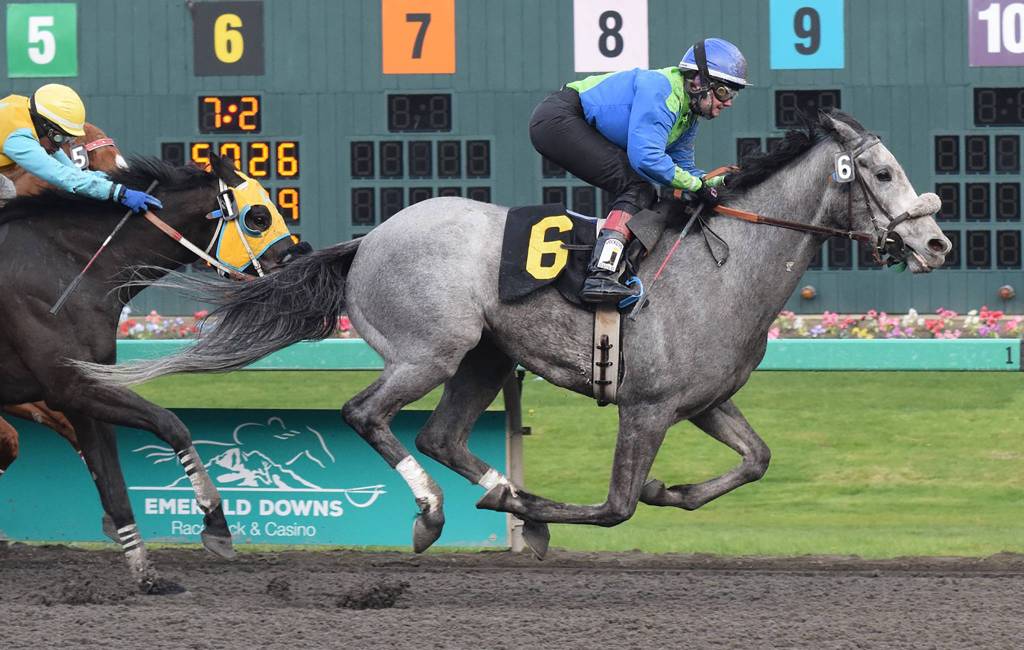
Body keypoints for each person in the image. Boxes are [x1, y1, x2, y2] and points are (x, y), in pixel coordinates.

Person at [529, 38, 748, 305]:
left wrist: (722, 182)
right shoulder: (661, 90)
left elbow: (684, 171)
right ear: (697, 82)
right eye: (724, 92)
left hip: (571, 120)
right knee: (638, 186)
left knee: (652, 191)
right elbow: (647, 159)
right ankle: (601, 273)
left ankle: (620, 268)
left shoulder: (688, 117)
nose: (729, 102)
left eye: (734, 95)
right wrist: (697, 185)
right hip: (558, 119)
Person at [0, 84, 160, 211]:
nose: (59, 146)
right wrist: (118, 193)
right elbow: (61, 176)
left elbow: (72, 171)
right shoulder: (17, 137)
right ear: (44, 126)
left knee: (9, 196)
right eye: (59, 138)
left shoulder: (29, 114)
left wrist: (112, 180)